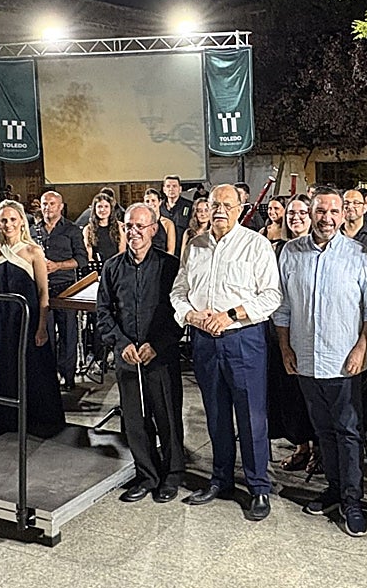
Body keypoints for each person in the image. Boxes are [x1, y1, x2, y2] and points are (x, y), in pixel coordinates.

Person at [171, 184, 281, 521]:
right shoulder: (196, 246)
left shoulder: (255, 245)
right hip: (204, 340)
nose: (219, 210)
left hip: (242, 339)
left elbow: (271, 296)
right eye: (214, 204)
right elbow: (179, 290)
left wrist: (231, 314)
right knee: (215, 414)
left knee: (251, 416)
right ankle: (220, 479)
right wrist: (189, 314)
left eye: (226, 205)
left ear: (240, 208)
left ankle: (259, 486)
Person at [273, 187, 367, 537]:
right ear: (310, 213)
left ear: (344, 214)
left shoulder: (358, 254)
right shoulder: (290, 252)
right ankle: (333, 489)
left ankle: (352, 501)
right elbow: (283, 307)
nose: (327, 218)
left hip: (344, 361)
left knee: (347, 432)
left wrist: (362, 347)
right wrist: (286, 348)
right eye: (320, 211)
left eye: (334, 211)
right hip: (305, 360)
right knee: (323, 432)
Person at [96, 203, 186, 503]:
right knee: (134, 420)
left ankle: (172, 476)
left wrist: (156, 345)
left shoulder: (170, 267)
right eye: (129, 226)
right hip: (127, 357)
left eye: (140, 226)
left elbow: (179, 313)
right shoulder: (111, 268)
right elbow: (103, 313)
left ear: (153, 229)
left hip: (160, 355)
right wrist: (122, 345)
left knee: (167, 417)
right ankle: (147, 475)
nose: (134, 232)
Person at [0, 200, 64, 438]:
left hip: (26, 324)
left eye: (12, 219)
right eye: (3, 220)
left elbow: (43, 294)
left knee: (33, 370)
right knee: (4, 371)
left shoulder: (33, 252)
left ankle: (39, 426)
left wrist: (42, 327)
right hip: (0, 323)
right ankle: (7, 425)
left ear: (21, 222)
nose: (8, 224)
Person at [268, 196, 317, 473]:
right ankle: (301, 446)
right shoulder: (282, 249)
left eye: (301, 212)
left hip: (312, 334)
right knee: (292, 395)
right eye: (291, 213)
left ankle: (319, 448)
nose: (295, 217)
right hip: (284, 333)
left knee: (312, 395)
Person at [31, 191, 89, 391]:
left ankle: (68, 376)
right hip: (41, 288)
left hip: (65, 288)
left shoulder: (72, 230)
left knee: (68, 333)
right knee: (44, 333)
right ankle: (48, 376)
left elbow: (82, 259)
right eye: (45, 204)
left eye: (52, 204)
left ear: (61, 206)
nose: (48, 208)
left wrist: (58, 265)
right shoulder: (33, 230)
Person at [83, 192, 125, 262]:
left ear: (111, 208)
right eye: (99, 207)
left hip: (116, 265)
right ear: (94, 209)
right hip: (97, 268)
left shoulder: (119, 227)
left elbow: (122, 251)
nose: (103, 210)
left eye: (106, 206)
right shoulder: (88, 229)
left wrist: (109, 265)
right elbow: (89, 256)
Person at [142, 189, 179, 257]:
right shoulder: (141, 224)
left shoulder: (168, 224)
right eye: (147, 201)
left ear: (160, 202)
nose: (150, 203)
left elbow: (171, 250)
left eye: (153, 200)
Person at [180, 197, 210, 261]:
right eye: (199, 211)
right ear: (195, 213)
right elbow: (183, 257)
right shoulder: (188, 233)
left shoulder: (215, 233)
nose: (203, 214)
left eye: (206, 210)